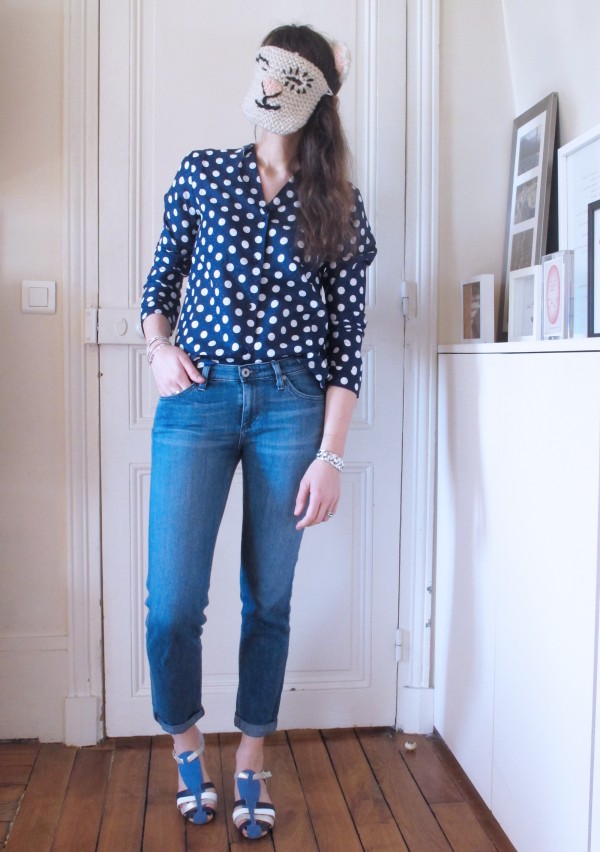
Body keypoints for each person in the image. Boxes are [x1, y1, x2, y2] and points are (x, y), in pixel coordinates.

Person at [141, 23, 376, 840]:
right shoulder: (203, 174)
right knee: (172, 607)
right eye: (265, 71)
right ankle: (185, 747)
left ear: (317, 96)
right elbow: (160, 282)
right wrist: (158, 349)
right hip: (197, 400)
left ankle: (250, 756)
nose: (271, 88)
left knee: (267, 601)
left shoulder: (339, 204)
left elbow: (348, 342)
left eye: (290, 77)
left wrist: (331, 455)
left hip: (291, 408)